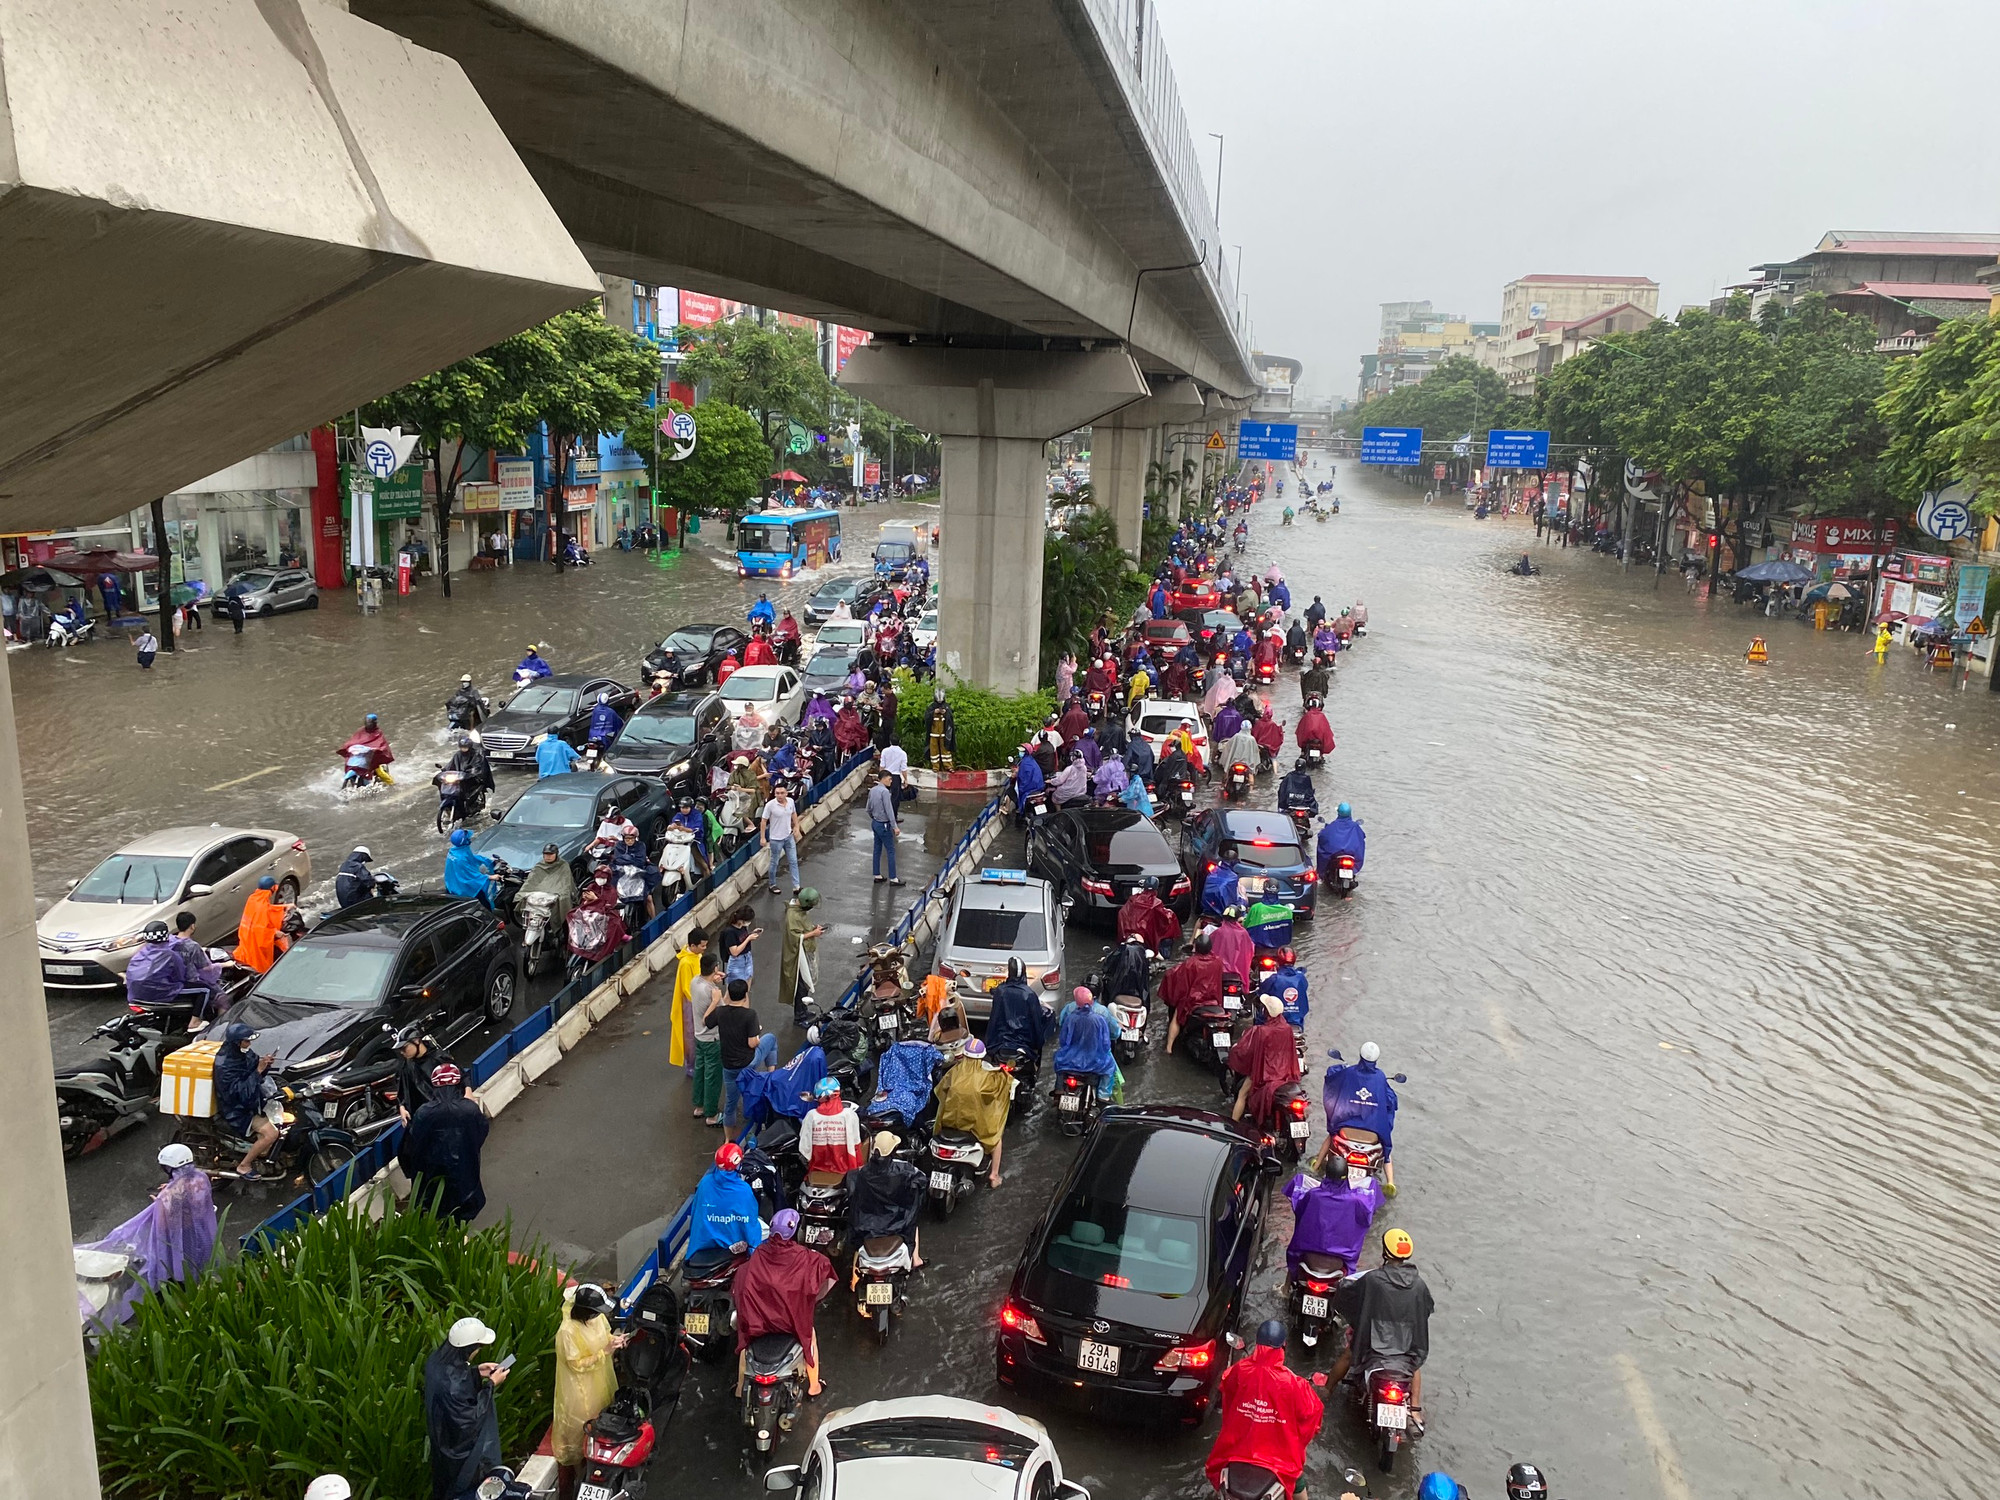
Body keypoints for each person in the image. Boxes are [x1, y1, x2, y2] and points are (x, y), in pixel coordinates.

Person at [1203, 1319, 1324, 1500]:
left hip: (1236, 1452)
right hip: (1280, 1462)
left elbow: (1227, 1392)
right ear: (1283, 1346)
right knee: (1297, 1481)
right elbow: (1313, 1416)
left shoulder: (1239, 1371)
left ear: (1257, 1344)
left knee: (1220, 1481)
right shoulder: (1294, 1383)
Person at [1330, 1230, 1435, 1436]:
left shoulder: (1373, 1280)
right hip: (1404, 1345)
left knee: (1349, 1355)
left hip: (1373, 1340)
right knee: (1414, 1364)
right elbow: (1427, 1308)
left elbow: (1350, 1296)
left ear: (1385, 1251)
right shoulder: (1419, 1285)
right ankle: (1414, 1409)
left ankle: (1327, 1389)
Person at [733, 1209, 834, 1399]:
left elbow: (741, 1283)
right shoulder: (805, 1257)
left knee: (746, 1340)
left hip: (759, 1324)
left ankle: (740, 1389)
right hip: (791, 1324)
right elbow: (824, 1272)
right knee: (809, 1335)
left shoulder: (758, 1255)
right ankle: (814, 1387)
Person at [423, 1316, 510, 1500]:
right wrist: (491, 1385)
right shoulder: (454, 1386)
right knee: (464, 1488)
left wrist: (475, 1372)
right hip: (460, 1455)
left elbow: (453, 1377)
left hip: (441, 1440)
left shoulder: (435, 1362)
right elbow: (471, 1418)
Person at [553, 1282, 626, 1498]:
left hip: (600, 1376)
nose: (598, 1316)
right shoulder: (567, 1332)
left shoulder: (597, 1318)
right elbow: (576, 1364)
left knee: (603, 1408)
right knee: (583, 1423)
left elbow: (606, 1334)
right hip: (580, 1386)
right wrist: (604, 1353)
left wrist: (615, 1341)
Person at [403, 1063, 490, 1222]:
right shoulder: (470, 1109)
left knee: (439, 1211)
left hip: (434, 1173)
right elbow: (481, 1131)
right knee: (461, 1213)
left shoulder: (424, 1112)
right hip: (464, 1170)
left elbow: (414, 1143)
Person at [933, 1038, 1012, 1188]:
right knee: (996, 1138)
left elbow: (940, 1090)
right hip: (974, 1126)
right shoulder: (987, 1077)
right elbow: (1000, 1090)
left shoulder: (954, 1072)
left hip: (949, 1122)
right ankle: (994, 1176)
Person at [1322, 1041, 1400, 1192]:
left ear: (1360, 1056)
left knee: (1332, 1135)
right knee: (1386, 1149)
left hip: (1346, 1133)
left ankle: (1317, 1164)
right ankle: (1390, 1182)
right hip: (1372, 1137)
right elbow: (1392, 1101)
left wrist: (1341, 1067)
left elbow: (1332, 1077)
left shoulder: (1349, 1072)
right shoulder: (1380, 1077)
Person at [1285, 1166, 1382, 1281]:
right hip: (1344, 1256)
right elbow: (1366, 1218)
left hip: (1307, 1249)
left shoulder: (1313, 1195)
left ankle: (1285, 1289)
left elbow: (1299, 1209)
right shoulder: (1356, 1201)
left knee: (1294, 1264)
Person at [847, 1130, 927, 1269]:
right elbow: (921, 1182)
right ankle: (916, 1259)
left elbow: (854, 1195)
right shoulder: (904, 1170)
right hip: (898, 1223)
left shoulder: (862, 1173)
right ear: (894, 1149)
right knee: (913, 1222)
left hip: (867, 1224)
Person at [212, 1022, 280, 1176]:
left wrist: (264, 1064)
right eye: (246, 1041)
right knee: (271, 1134)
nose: (249, 1044)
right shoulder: (224, 1066)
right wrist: (258, 1070)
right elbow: (239, 1094)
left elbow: (254, 1071)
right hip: (237, 1110)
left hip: (253, 1101)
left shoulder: (244, 1053)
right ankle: (244, 1165)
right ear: (237, 1043)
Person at [1230, 995, 1301, 1127]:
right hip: (1284, 1074)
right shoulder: (1287, 1029)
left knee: (1242, 1094)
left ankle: (1233, 1127)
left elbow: (1246, 1050)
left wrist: (1235, 1051)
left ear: (1266, 1011)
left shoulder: (1261, 1031)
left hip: (1265, 1074)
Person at [689, 1141, 766, 1259]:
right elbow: (750, 1224)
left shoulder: (705, 1183)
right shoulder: (743, 1190)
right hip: (730, 1247)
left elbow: (695, 1213)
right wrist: (754, 1252)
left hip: (701, 1245)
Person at [716, 979, 771, 1130]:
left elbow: (707, 1022)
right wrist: (757, 1033)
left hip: (728, 1064)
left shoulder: (720, 1012)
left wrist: (718, 1001)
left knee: (730, 1102)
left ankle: (728, 1140)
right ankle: (771, 1077)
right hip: (747, 1061)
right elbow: (752, 1043)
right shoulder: (750, 1015)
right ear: (746, 996)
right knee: (771, 1040)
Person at [1160, 931, 1224, 1055]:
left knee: (1177, 1017)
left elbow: (1182, 986)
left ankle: (1169, 1048)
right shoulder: (1218, 961)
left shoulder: (1191, 963)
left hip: (1195, 1002)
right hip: (1213, 1000)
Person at [983, 956, 1052, 1063]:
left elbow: (994, 1018)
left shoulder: (1001, 991)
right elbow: (1036, 1021)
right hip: (1024, 1043)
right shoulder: (1029, 994)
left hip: (1001, 1041)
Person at [1052, 986, 1116, 1101]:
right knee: (1110, 1067)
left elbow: (1063, 1041)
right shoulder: (1099, 1019)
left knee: (1057, 1059)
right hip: (1094, 1061)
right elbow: (1106, 1044)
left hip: (1069, 1060)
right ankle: (1103, 1096)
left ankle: (1059, 1088)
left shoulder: (1070, 1018)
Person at [800, 1077, 866, 1174]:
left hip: (817, 1170)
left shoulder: (811, 1116)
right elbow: (856, 1145)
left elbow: (804, 1148)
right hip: (845, 1170)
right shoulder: (849, 1115)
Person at [393, 1029, 457, 1128]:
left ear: (417, 1041)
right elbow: (402, 1090)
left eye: (404, 1048)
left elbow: (460, 1081)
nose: (402, 1052)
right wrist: (402, 1107)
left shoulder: (439, 1059)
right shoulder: (407, 1065)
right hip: (420, 1120)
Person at [689, 949, 725, 1124]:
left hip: (699, 1037)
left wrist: (714, 980)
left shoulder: (695, 982)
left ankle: (699, 1106)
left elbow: (705, 982)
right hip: (712, 1038)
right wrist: (716, 999)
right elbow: (712, 1017)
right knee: (713, 1076)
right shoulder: (712, 993)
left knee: (700, 1071)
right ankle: (711, 1114)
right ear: (715, 967)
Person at [780, 888, 825, 1023]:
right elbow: (795, 937)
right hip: (798, 956)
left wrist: (813, 928)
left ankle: (803, 1011)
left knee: (804, 984)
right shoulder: (792, 915)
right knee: (800, 985)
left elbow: (803, 927)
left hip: (805, 952)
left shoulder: (799, 911)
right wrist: (813, 934)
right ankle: (799, 1016)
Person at [231, 875, 291, 974]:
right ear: (273, 888)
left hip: (247, 938)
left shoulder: (253, 898)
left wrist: (284, 907)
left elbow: (267, 910)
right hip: (256, 943)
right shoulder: (262, 905)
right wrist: (275, 933)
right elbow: (261, 928)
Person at [516, 841, 577, 933]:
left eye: (551, 854)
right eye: (545, 854)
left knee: (563, 901)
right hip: (539, 896)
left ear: (556, 854)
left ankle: (562, 931)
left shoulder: (563, 865)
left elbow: (565, 882)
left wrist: (561, 894)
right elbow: (531, 881)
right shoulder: (539, 866)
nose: (548, 856)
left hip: (555, 893)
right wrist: (524, 892)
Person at [1117, 874, 1183, 954]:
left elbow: (1122, 913)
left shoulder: (1133, 899)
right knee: (1167, 938)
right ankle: (1164, 955)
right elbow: (1164, 920)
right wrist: (1170, 915)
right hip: (1147, 937)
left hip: (1130, 934)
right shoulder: (1157, 903)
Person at [443, 828, 497, 904]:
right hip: (463, 888)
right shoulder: (461, 859)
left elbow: (471, 857)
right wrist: (491, 877)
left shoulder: (454, 850)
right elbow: (471, 876)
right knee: (484, 902)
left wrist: (488, 860)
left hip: (452, 884)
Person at [868, 767, 902, 884]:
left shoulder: (872, 790)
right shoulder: (885, 792)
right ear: (883, 779)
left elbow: (868, 808)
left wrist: (873, 817)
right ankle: (893, 878)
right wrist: (895, 826)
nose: (891, 781)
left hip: (875, 823)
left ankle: (877, 875)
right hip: (884, 825)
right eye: (889, 779)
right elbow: (889, 810)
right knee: (891, 851)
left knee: (877, 849)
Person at [1260, 947, 1310, 1028]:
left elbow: (1262, 991)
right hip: (1297, 1023)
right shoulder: (1301, 977)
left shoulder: (1274, 978)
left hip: (1277, 1023)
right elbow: (1304, 988)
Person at [1317, 802, 1366, 880]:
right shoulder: (1355, 827)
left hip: (1335, 854)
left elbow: (1322, 836)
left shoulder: (1332, 826)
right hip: (1351, 854)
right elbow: (1362, 837)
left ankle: (1322, 874)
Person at [1210, 904, 1254, 980]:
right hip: (1238, 971)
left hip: (1220, 971)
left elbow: (1209, 949)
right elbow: (1250, 949)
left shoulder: (1218, 932)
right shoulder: (1243, 933)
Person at [1277, 757, 1319, 824]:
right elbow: (1309, 792)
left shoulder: (1289, 776)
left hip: (1290, 805)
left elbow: (1282, 791)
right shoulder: (1307, 778)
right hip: (1303, 805)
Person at [924, 687, 956, 770]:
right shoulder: (931, 707)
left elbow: (950, 719)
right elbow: (926, 718)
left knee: (946, 751)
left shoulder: (947, 707)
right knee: (934, 752)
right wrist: (934, 712)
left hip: (944, 734)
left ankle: (948, 766)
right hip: (933, 733)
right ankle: (935, 767)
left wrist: (945, 713)